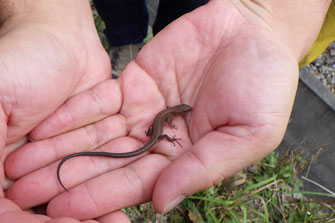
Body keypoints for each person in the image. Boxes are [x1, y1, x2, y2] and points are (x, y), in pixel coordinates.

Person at [0, 0, 333, 222]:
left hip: (151, 133)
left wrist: (268, 18)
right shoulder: (172, 117)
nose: (185, 111)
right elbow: (166, 121)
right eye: (184, 110)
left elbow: (163, 121)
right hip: (151, 136)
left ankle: (128, 39)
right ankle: (126, 36)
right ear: (180, 111)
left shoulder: (170, 116)